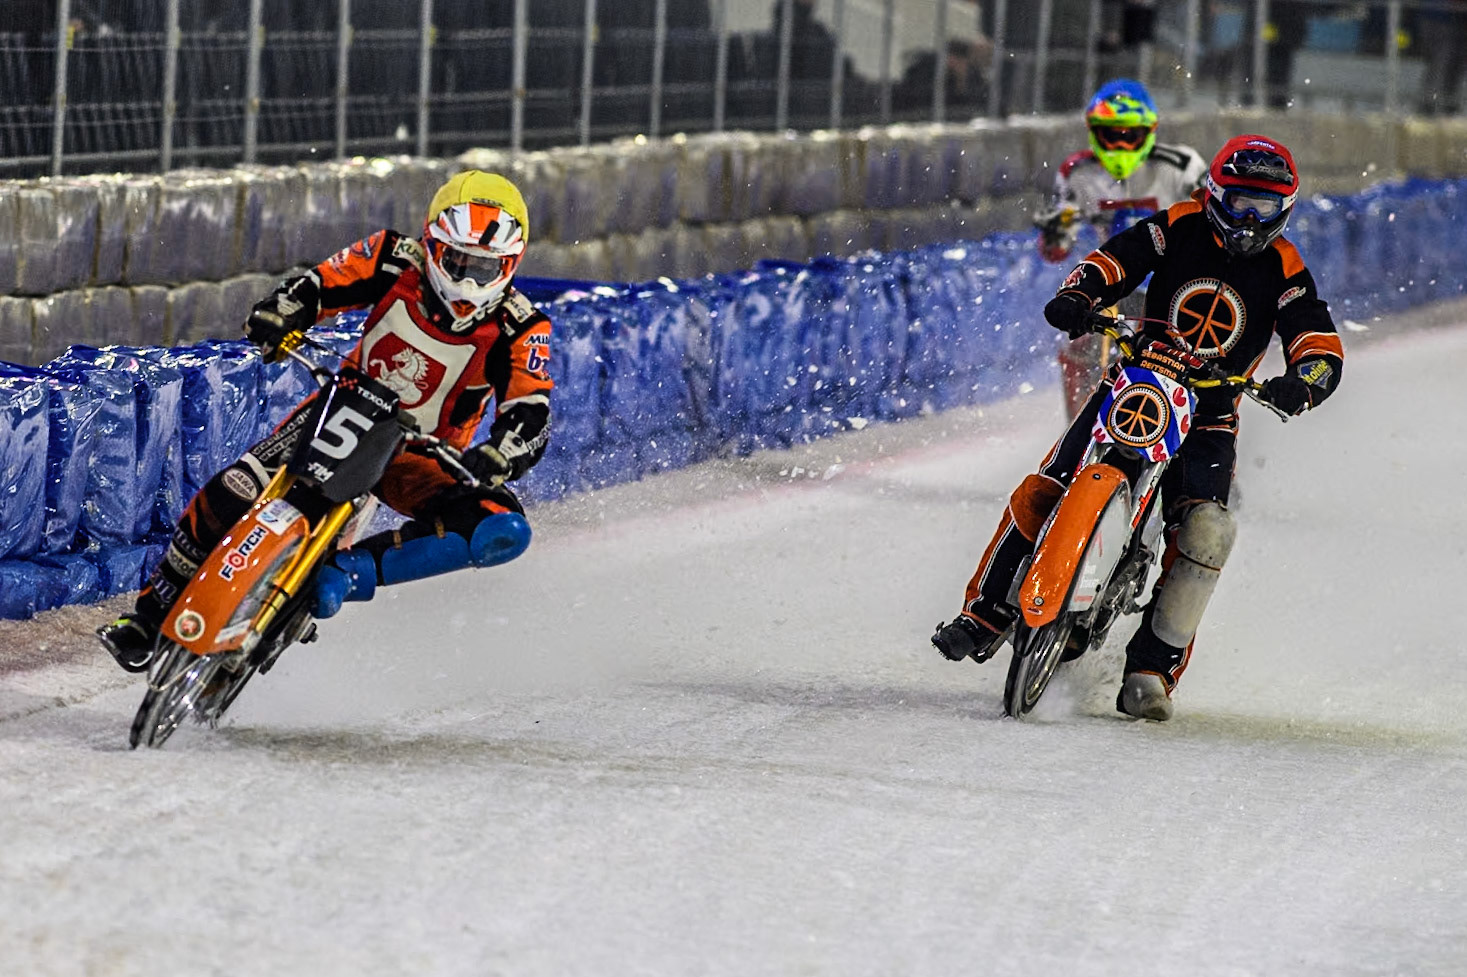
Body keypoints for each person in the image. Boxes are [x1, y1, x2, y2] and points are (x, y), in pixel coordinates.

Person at [933, 135, 1344, 721]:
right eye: (1240, 202)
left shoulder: (1286, 268)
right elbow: (1115, 260)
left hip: (1210, 413)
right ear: (1215, 196)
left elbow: (1318, 339)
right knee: (1046, 483)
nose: (1250, 219)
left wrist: (1305, 380)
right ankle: (985, 613)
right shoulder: (1175, 226)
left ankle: (1152, 669)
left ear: (1287, 208)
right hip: (1135, 380)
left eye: (1265, 206)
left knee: (1206, 530)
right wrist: (1080, 294)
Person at [98, 170, 553, 673]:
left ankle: (346, 572)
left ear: (509, 265)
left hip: (424, 454)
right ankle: (148, 614)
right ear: (432, 245)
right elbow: (316, 286)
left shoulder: (522, 325)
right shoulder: (391, 256)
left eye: (486, 268)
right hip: (344, 410)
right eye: (459, 261)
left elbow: (530, 409)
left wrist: (501, 453)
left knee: (502, 528)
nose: (469, 281)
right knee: (234, 489)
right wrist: (279, 316)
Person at [1034, 79, 1207, 420]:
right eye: (1110, 135)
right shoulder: (1076, 173)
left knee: (1200, 363)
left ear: (1150, 132)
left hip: (1174, 286)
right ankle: (1079, 430)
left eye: (1130, 136)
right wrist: (1055, 233)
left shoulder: (1182, 166)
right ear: (1093, 133)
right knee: (1078, 349)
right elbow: (1055, 249)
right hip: (1112, 284)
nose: (1121, 144)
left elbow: (1213, 222)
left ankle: (1204, 440)